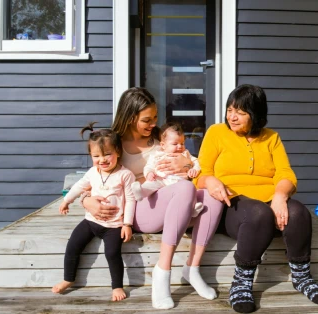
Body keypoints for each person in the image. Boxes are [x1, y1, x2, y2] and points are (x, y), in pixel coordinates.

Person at [81, 87, 224, 309]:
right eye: (146, 119)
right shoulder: (113, 141)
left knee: (212, 197)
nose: (153, 123)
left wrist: (185, 165)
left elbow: (192, 164)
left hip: (175, 202)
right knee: (185, 189)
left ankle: (192, 269)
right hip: (139, 208)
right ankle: (162, 272)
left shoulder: (162, 137)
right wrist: (86, 200)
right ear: (129, 117)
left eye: (155, 117)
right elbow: (94, 176)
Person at [195, 84, 318, 313]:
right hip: (232, 203)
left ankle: (301, 277)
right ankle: (242, 281)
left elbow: (286, 174)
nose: (233, 116)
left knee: (298, 212)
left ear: (256, 114)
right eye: (230, 110)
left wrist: (280, 195)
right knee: (258, 213)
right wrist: (210, 181)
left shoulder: (271, 138)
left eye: (240, 112)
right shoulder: (216, 132)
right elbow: (201, 172)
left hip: (269, 198)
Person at [51, 123, 135, 302]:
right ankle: (68, 278)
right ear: (91, 156)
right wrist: (67, 200)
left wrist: (127, 224)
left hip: (113, 225)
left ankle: (117, 286)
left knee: (112, 253)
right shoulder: (92, 172)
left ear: (118, 152)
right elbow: (79, 186)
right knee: (73, 246)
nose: (102, 160)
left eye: (107, 154)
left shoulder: (125, 175)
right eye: (96, 156)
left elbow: (131, 200)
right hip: (91, 221)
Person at [131, 122, 204, 217]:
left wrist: (194, 169)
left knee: (189, 188)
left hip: (179, 180)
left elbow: (196, 162)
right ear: (163, 145)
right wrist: (149, 173)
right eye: (175, 144)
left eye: (182, 143)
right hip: (161, 180)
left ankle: (192, 208)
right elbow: (149, 166)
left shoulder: (186, 154)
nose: (180, 146)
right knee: (151, 183)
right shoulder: (157, 155)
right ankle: (142, 191)